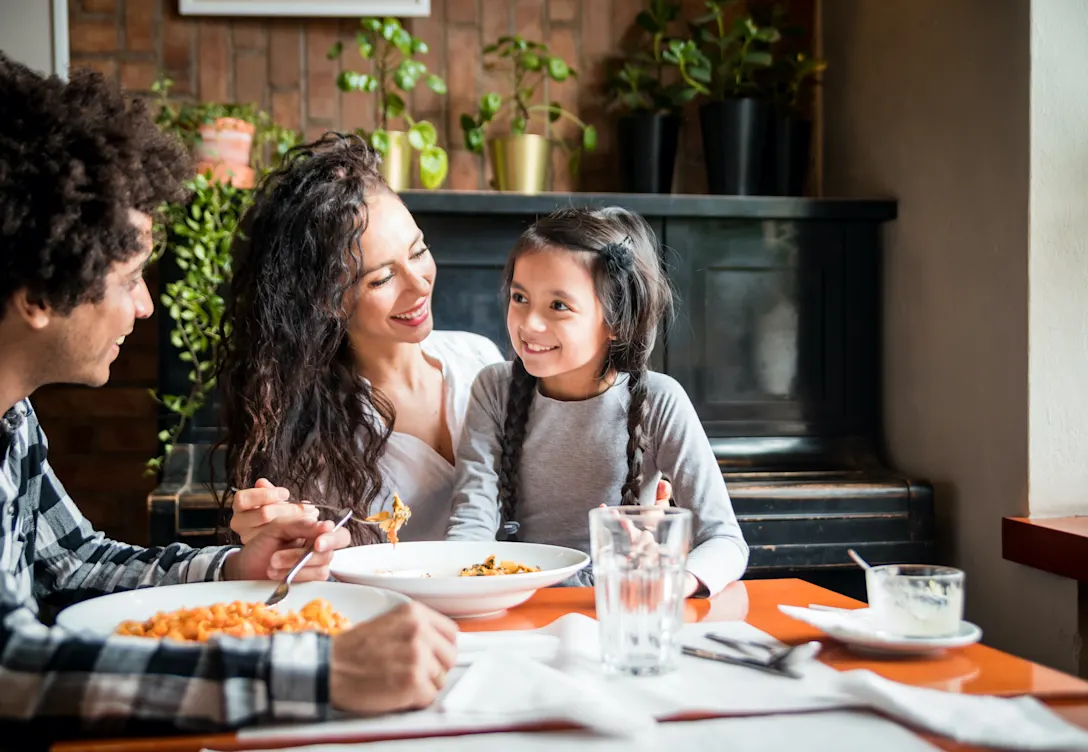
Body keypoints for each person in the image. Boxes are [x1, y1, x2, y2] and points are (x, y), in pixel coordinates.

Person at [0, 56, 456, 741]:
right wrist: (319, 671)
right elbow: (10, 668)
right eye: (128, 280)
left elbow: (72, 564)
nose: (147, 307)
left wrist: (236, 566)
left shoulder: (13, 418)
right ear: (37, 296)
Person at [445, 207, 749, 597]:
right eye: (520, 297)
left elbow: (724, 539)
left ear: (617, 322)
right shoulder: (493, 388)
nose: (529, 323)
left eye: (558, 306)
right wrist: (453, 589)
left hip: (614, 603)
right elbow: (471, 521)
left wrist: (673, 579)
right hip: (512, 597)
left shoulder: (660, 400)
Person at [220, 133, 506, 544]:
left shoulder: (478, 357)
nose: (418, 285)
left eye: (418, 250)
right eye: (383, 278)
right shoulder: (317, 431)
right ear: (328, 300)